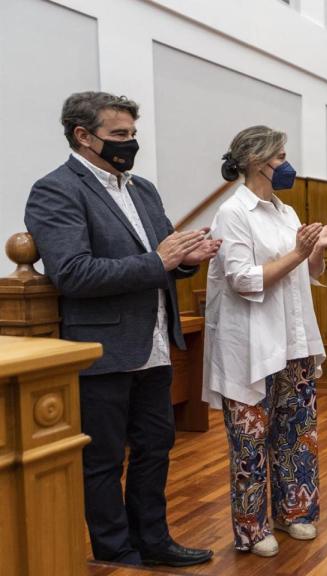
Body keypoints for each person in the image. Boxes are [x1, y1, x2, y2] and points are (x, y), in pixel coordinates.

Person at [24, 91, 218, 567]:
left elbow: (164, 258)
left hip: (153, 343)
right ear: (83, 136)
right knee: (105, 462)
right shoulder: (56, 190)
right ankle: (116, 552)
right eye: (119, 135)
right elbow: (74, 273)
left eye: (132, 135)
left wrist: (186, 262)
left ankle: (155, 540)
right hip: (101, 349)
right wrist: (160, 261)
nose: (129, 144)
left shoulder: (142, 189)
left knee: (156, 448)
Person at [203, 126, 327, 557]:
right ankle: (253, 530)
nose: (287, 163)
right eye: (280, 156)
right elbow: (244, 279)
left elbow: (310, 273)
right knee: (251, 441)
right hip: (252, 345)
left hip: (294, 342)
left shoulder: (285, 211)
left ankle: (296, 513)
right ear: (256, 161)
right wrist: (297, 253)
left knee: (296, 432)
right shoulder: (233, 213)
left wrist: (316, 248)